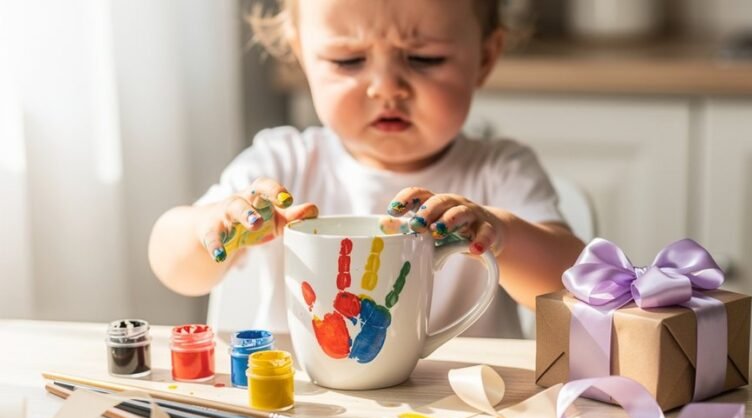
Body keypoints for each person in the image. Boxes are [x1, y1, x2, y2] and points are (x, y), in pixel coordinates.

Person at [148, 0, 585, 337]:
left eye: (424, 58)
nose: (386, 87)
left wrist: (501, 234)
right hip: (308, 409)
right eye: (348, 60)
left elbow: (574, 290)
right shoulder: (281, 162)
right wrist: (211, 226)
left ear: (485, 59)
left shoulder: (501, 170)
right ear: (302, 55)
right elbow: (173, 267)